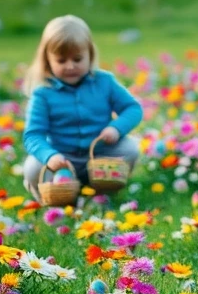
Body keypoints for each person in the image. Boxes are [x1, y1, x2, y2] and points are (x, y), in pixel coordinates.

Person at [22, 15, 142, 200]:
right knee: (32, 168)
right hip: (62, 159)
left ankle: (102, 196)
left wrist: (116, 129)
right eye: (61, 61)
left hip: (99, 155)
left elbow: (133, 108)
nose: (70, 66)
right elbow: (33, 135)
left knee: (129, 149)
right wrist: (50, 156)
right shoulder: (43, 93)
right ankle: (58, 202)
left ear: (90, 55)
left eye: (77, 59)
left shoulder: (104, 82)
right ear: (48, 60)